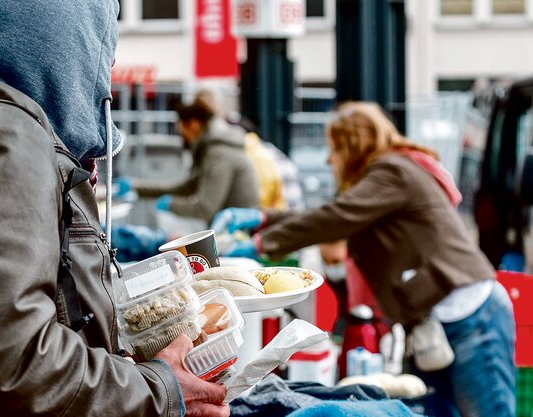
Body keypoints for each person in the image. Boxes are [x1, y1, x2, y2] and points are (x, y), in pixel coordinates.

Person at [0, 1, 229, 416]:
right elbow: (13, 364)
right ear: (62, 40)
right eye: (101, 38)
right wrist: (159, 388)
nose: (107, 65)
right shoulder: (2, 138)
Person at [211, 102, 515, 417]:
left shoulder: (392, 172)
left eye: (334, 149)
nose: (329, 160)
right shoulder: (391, 175)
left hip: (471, 315)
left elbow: (335, 217)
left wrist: (260, 244)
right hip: (447, 319)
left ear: (352, 145)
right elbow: (332, 216)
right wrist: (263, 219)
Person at [119, 98, 260, 224]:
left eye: (182, 130)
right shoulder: (213, 149)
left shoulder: (218, 155)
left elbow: (205, 207)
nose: (182, 137)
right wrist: (136, 187)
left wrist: (171, 205)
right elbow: (186, 187)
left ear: (193, 125)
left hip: (238, 232)